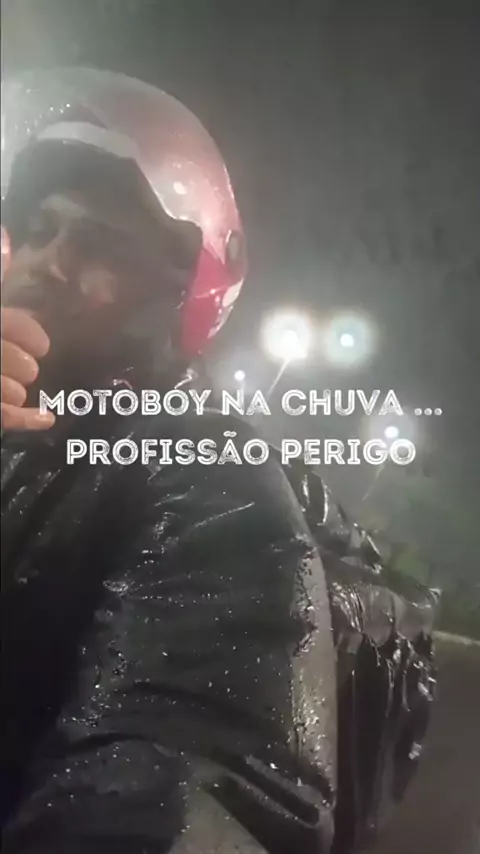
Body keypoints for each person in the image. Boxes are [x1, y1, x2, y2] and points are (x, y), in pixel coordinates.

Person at [1, 68, 336, 853]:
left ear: (177, 292)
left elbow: (188, 783)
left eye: (100, 245)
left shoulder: (211, 478)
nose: (49, 260)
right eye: (40, 228)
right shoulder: (19, 425)